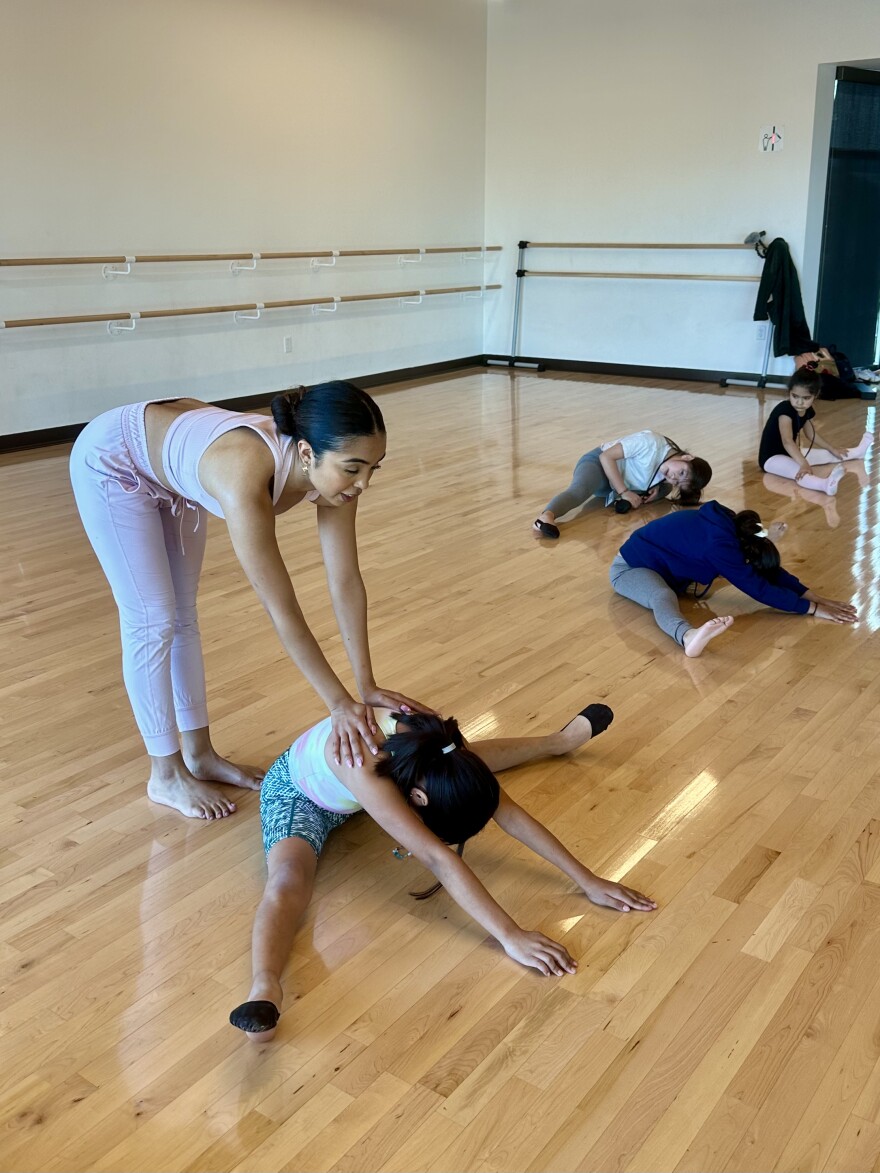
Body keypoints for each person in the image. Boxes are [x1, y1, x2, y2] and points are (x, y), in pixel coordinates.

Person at [69, 382, 432, 821]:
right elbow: (282, 609)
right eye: (353, 468)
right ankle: (164, 775)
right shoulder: (243, 474)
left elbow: (346, 581)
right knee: (153, 618)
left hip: (170, 455)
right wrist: (337, 704)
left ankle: (200, 755)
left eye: (374, 467)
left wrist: (366, 685)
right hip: (115, 459)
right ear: (304, 453)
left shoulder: (333, 474)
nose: (364, 483)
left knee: (183, 617)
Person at [228, 702, 656, 1040]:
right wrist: (510, 935)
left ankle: (557, 741)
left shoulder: (438, 744)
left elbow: (510, 814)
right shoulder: (364, 764)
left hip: (374, 786)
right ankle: (265, 985)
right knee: (288, 879)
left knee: (470, 764)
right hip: (305, 797)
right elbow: (438, 857)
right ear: (415, 798)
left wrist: (589, 880)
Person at [609, 502, 857, 657]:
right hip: (631, 568)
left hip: (671, 569)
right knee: (662, 596)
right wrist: (811, 609)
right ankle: (687, 637)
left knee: (731, 573)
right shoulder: (719, 546)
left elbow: (766, 572)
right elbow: (758, 588)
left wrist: (810, 595)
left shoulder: (736, 525)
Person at [533, 430, 712, 539]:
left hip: (617, 486)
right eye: (681, 472)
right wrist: (624, 491)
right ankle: (546, 517)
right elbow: (606, 457)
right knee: (579, 490)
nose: (673, 477)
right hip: (599, 464)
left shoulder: (667, 474)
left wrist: (657, 491)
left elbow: (665, 486)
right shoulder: (651, 442)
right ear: (687, 457)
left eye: (678, 482)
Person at [758, 365, 873, 495]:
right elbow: (787, 441)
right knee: (800, 472)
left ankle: (858, 452)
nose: (799, 402)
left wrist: (832, 448)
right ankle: (824, 485)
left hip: (791, 452)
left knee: (829, 455)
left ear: (815, 395)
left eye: (806, 398)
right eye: (795, 396)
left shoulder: (806, 410)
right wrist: (804, 463)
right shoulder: (784, 411)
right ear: (789, 392)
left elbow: (811, 434)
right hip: (771, 459)